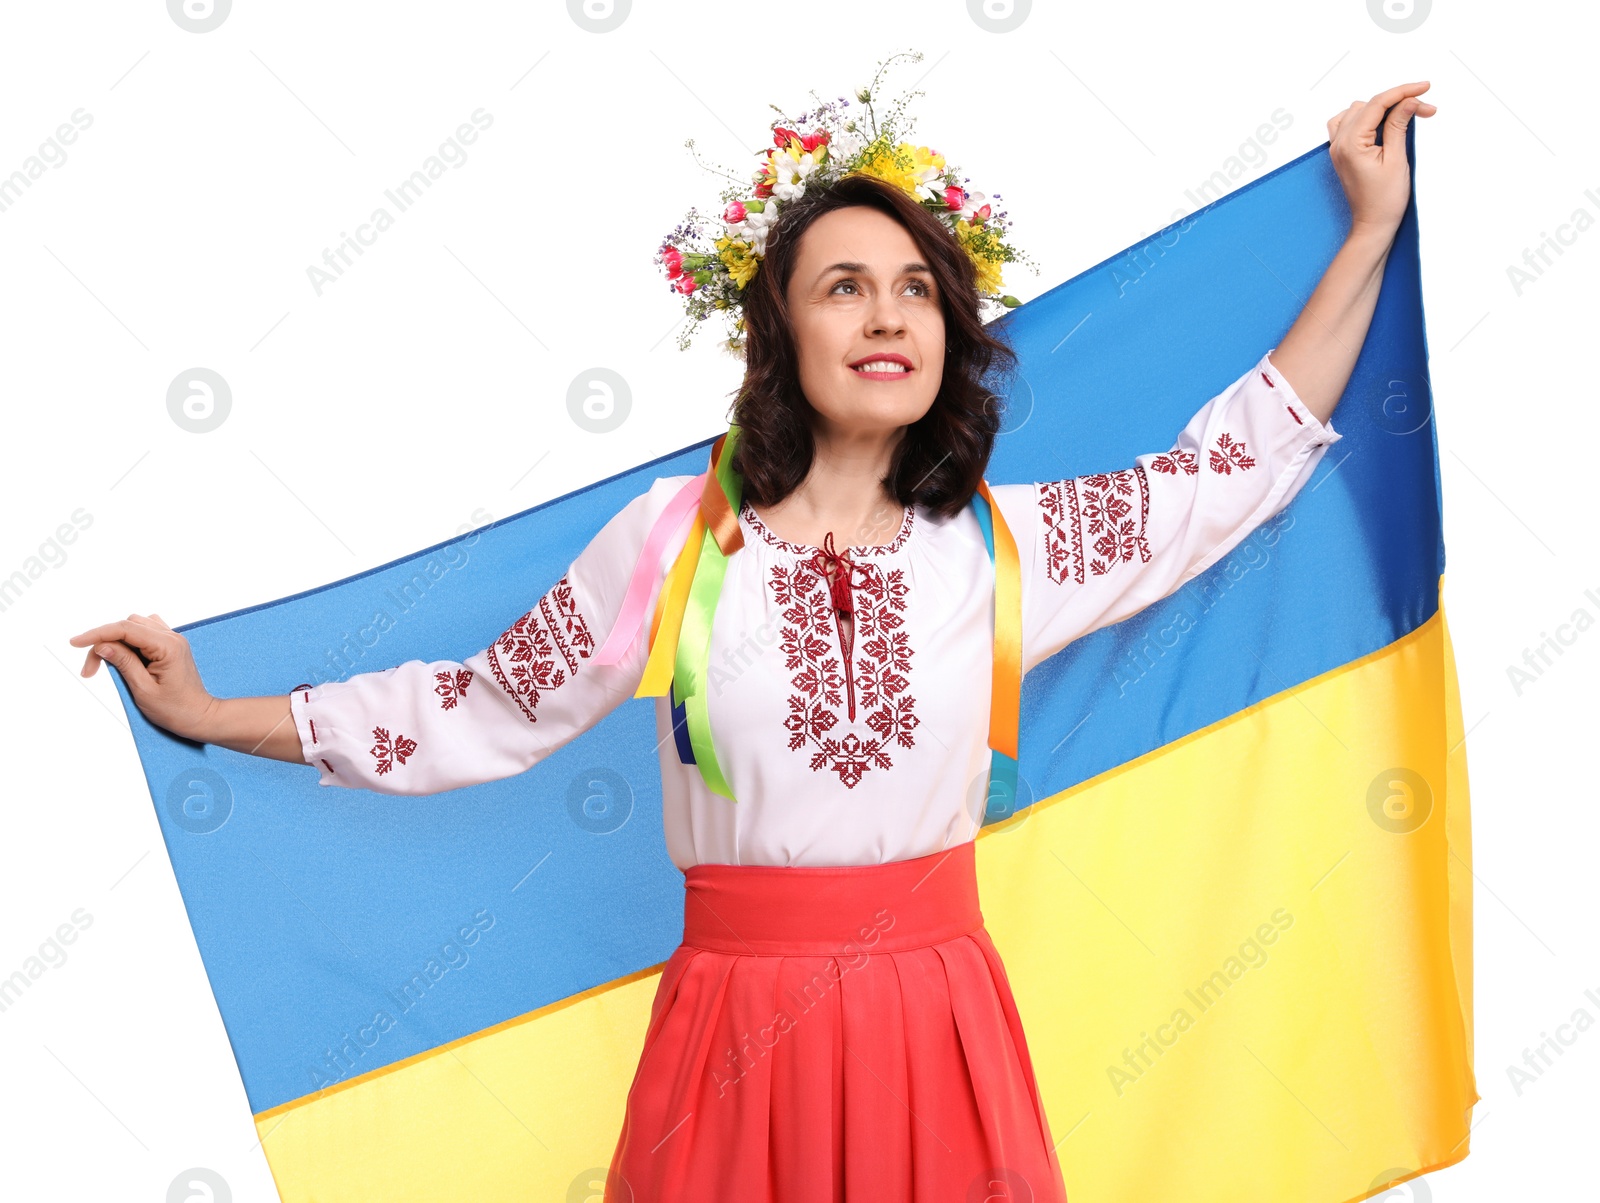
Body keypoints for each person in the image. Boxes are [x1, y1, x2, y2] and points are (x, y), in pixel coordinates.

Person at [72, 81, 1435, 1203]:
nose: (886, 314)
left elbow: (1224, 475)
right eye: (844, 286)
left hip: (934, 1028)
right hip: (733, 1035)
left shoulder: (1004, 550)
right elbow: (481, 706)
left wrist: (1369, 228)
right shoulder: (674, 543)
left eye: (913, 288)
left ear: (946, 333)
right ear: (780, 325)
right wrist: (213, 713)